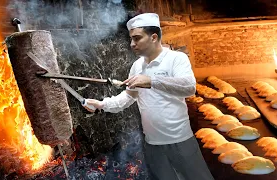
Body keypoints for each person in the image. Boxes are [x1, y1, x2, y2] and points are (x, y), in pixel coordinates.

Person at [84, 13, 214, 180]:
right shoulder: (137, 66)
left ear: (153, 37)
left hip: (181, 141)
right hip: (152, 144)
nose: (132, 44)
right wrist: (102, 104)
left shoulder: (176, 59)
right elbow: (128, 97)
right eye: (131, 39)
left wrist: (151, 81)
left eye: (137, 38)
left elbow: (189, 87)